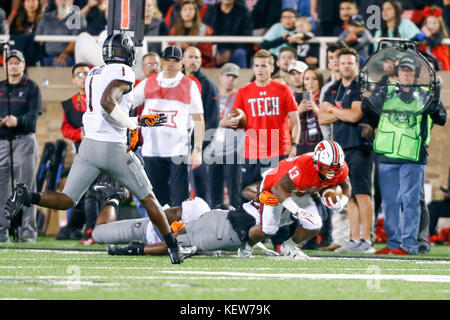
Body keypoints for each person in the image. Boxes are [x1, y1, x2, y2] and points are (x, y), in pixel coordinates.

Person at [4, 34, 187, 264]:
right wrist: (132, 123)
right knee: (150, 199)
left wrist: (140, 120)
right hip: (113, 148)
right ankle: (173, 248)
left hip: (89, 147)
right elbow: (108, 103)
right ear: (127, 53)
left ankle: (27, 195)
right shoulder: (124, 72)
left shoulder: (93, 72)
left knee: (68, 199)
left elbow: (112, 111)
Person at [365, 56, 447, 255]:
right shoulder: (386, 93)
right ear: (397, 73)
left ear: (416, 75)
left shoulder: (426, 95)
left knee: (410, 201)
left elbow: (442, 118)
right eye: (403, 71)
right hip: (386, 153)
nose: (406, 75)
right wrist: (380, 86)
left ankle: (409, 244)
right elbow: (368, 110)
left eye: (410, 72)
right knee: (390, 202)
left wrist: (435, 99)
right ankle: (393, 244)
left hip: (412, 154)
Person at [242, 139, 351, 258]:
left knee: (314, 225)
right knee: (268, 229)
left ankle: (288, 246)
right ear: (316, 163)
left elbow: (346, 187)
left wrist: (341, 203)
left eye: (335, 169)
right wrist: (298, 212)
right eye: (327, 168)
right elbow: (279, 188)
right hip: (275, 187)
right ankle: (246, 247)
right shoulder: (303, 167)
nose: (331, 173)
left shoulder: (341, 169)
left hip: (301, 190)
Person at [221, 49, 300, 200]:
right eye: (256, 66)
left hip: (279, 151)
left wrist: (294, 144)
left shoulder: (283, 90)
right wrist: (225, 123)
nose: (259, 69)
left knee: (282, 196)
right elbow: (235, 121)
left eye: (263, 66)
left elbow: (295, 121)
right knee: (247, 196)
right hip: (252, 153)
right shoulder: (244, 92)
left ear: (272, 68)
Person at [318, 47, 376, 254]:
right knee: (349, 196)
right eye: (343, 63)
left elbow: (354, 116)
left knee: (363, 195)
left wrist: (333, 109)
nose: (346, 66)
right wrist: (341, 111)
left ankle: (366, 240)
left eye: (350, 62)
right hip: (341, 150)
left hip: (360, 148)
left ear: (357, 65)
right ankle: (353, 239)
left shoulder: (362, 86)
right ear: (338, 65)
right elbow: (322, 117)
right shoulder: (333, 87)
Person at [133, 45, 205, 208]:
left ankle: (179, 231)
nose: (171, 64)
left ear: (181, 64)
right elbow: (128, 102)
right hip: (152, 149)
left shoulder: (189, 84)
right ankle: (159, 233)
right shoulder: (149, 82)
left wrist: (197, 149)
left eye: (175, 61)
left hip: (178, 150)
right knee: (157, 199)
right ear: (162, 62)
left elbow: (199, 119)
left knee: (180, 199)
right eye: (167, 60)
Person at [0, 49, 42, 243]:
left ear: (24, 65)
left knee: (25, 187)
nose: (14, 65)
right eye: (10, 63)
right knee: (2, 188)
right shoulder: (0, 87)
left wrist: (17, 121)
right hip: (2, 141)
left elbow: (34, 116)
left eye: (17, 62)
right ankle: (2, 231)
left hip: (24, 140)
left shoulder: (32, 87)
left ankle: (28, 233)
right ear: (6, 66)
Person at [182, 47, 219, 206]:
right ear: (183, 60)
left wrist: (200, 146)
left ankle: (205, 217)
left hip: (198, 146)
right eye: (190, 57)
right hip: (177, 144)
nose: (194, 61)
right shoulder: (176, 81)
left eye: (197, 58)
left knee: (200, 186)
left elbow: (212, 119)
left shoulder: (209, 86)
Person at [206, 63, 243, 209]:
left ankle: (236, 225)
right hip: (213, 149)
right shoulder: (212, 96)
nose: (230, 79)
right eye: (228, 75)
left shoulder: (240, 96)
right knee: (214, 193)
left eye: (234, 77)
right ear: (221, 76)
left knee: (234, 193)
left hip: (232, 151)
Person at [35, 0, 87, 67]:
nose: (63, 1)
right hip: (46, 57)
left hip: (69, 57)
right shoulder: (46, 18)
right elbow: (37, 40)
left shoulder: (79, 17)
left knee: (58, 64)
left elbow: (75, 41)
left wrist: (64, 55)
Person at [203, 0, 253, 68]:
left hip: (235, 49)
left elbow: (247, 35)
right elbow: (205, 33)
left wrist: (230, 51)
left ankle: (243, 78)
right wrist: (215, 50)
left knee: (240, 53)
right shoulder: (211, 10)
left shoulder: (243, 11)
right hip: (215, 48)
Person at [169, 0, 215, 68]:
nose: (188, 12)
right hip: (179, 64)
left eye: (191, 9)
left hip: (200, 64)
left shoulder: (205, 29)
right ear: (180, 12)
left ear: (195, 12)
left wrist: (188, 48)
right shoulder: (174, 30)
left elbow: (207, 52)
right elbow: (170, 48)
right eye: (184, 9)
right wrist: (176, 47)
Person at [9, 0, 44, 66]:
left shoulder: (44, 20)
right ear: (23, 3)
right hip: (22, 55)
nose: (31, 4)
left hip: (38, 54)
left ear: (38, 3)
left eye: (33, 1)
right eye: (28, 1)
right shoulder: (16, 21)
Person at [417, 6, 450, 71]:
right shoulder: (424, 33)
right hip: (427, 57)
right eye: (429, 23)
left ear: (440, 24)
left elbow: (433, 44)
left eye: (434, 23)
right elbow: (416, 40)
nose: (431, 26)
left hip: (439, 59)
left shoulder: (440, 34)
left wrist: (428, 35)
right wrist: (420, 36)